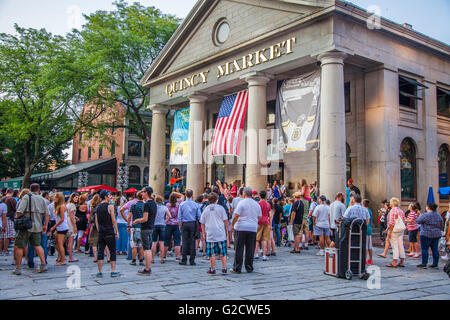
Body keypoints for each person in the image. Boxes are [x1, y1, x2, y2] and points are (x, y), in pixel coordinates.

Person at [13, 184, 49, 275]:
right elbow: (47, 214)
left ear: (30, 189)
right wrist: (45, 225)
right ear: (39, 190)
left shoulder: (26, 197)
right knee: (37, 245)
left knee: (20, 245)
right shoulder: (42, 199)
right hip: (38, 226)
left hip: (26, 226)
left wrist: (16, 218)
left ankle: (18, 268)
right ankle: (43, 264)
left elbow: (20, 211)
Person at [231, 187, 262, 274]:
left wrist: (232, 225)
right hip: (252, 228)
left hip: (241, 227)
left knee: (239, 248)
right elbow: (259, 217)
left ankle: (237, 268)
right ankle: (249, 267)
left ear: (244, 194)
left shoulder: (241, 203)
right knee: (250, 248)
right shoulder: (256, 204)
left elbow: (236, 215)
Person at [200, 192, 228, 274]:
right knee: (223, 252)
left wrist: (204, 232)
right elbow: (225, 220)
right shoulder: (221, 208)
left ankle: (212, 268)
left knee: (211, 253)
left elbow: (202, 222)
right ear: (216, 200)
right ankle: (224, 267)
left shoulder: (206, 209)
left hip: (210, 233)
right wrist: (226, 229)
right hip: (220, 232)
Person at [95, 190, 120, 278]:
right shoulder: (110, 206)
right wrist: (117, 231)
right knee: (112, 250)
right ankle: (113, 271)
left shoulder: (97, 207)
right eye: (109, 195)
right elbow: (113, 220)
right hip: (109, 231)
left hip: (101, 232)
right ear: (105, 197)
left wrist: (99, 230)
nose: (111, 197)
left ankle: (100, 272)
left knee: (100, 251)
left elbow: (96, 221)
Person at [133, 187, 157, 275]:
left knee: (146, 248)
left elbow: (145, 218)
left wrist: (137, 220)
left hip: (145, 228)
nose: (141, 194)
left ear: (146, 193)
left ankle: (147, 268)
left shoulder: (146, 204)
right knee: (148, 248)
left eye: (142, 192)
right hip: (151, 227)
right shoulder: (154, 203)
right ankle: (148, 267)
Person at [416, 203, 444, 269]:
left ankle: (424, 263)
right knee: (435, 249)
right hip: (436, 234)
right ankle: (435, 263)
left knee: (425, 249)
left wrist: (419, 215)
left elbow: (418, 221)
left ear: (428, 208)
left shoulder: (426, 215)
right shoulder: (438, 215)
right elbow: (442, 224)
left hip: (426, 234)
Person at [178, 189, 201, 266]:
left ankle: (184, 259)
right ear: (192, 195)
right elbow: (199, 216)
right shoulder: (196, 204)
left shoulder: (182, 204)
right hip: (193, 223)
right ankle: (192, 260)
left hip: (185, 223)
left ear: (185, 195)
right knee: (192, 241)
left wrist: (180, 225)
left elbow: (179, 217)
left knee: (184, 241)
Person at [385, 197, 406, 268]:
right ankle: (402, 261)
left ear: (392, 203)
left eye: (390, 202)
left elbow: (391, 223)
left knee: (394, 246)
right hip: (401, 230)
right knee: (400, 245)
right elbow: (403, 221)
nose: (389, 204)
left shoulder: (392, 211)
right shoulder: (401, 211)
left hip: (394, 230)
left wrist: (390, 232)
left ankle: (394, 262)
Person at [49, 193, 69, 266]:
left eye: (55, 197)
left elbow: (62, 219)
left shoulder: (61, 206)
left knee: (60, 244)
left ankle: (63, 260)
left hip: (62, 227)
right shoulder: (58, 206)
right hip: (59, 227)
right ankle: (61, 257)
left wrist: (54, 226)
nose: (54, 198)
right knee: (56, 243)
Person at [152, 195, 171, 264]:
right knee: (161, 242)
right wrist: (165, 221)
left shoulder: (154, 207)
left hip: (154, 225)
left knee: (154, 242)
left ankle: (152, 258)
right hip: (162, 225)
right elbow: (170, 216)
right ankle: (162, 258)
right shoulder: (164, 207)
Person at [164, 192, 183, 260]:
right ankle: (177, 256)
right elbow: (182, 196)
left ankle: (164, 256)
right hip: (177, 224)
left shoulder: (167, 205)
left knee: (166, 240)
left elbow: (167, 215)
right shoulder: (179, 204)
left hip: (169, 224)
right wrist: (175, 192)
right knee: (177, 241)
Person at [128, 191, 145, 266]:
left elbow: (129, 216)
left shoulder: (133, 205)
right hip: (143, 227)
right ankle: (141, 260)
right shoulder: (145, 205)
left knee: (134, 245)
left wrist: (128, 225)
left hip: (135, 226)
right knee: (141, 245)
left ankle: (134, 260)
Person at [254, 190, 271, 261]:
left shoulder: (258, 204)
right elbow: (269, 214)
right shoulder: (268, 204)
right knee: (265, 239)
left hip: (259, 222)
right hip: (266, 222)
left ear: (260, 196)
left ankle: (256, 254)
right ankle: (264, 255)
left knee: (257, 239)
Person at [1, 188, 16, 256]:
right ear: (12, 192)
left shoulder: (2, 199)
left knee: (1, 236)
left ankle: (1, 250)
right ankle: (5, 250)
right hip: (9, 218)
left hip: (1, 218)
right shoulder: (12, 199)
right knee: (7, 235)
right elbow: (15, 209)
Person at [65, 193, 79, 263]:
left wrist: (74, 217)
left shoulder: (68, 204)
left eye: (77, 197)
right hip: (70, 223)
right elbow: (71, 216)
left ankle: (60, 257)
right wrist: (75, 226)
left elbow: (70, 215)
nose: (77, 199)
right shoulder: (72, 205)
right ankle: (70, 257)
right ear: (72, 197)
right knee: (71, 240)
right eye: (76, 197)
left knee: (66, 240)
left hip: (66, 222)